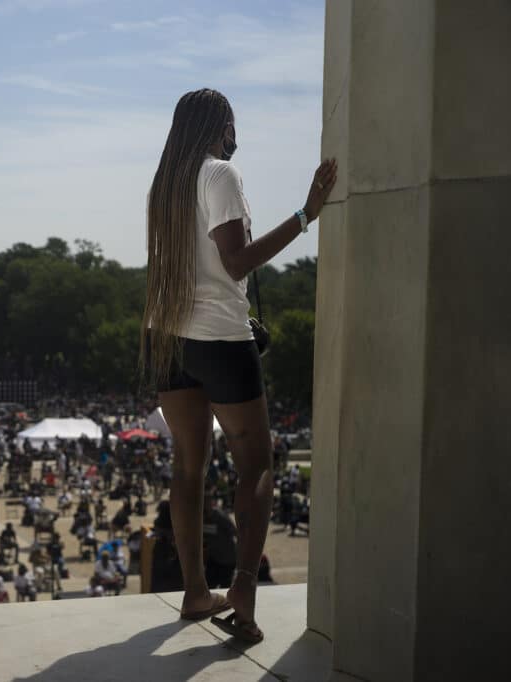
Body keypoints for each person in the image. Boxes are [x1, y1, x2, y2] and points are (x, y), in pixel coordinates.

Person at [139, 87, 337, 644]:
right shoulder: (219, 174)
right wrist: (305, 214)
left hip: (168, 336)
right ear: (220, 125)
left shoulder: (165, 184)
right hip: (219, 337)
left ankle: (196, 591)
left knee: (188, 468)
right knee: (255, 466)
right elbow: (236, 263)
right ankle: (244, 589)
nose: (235, 133)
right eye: (232, 123)